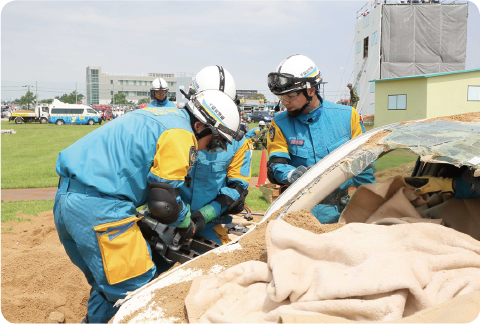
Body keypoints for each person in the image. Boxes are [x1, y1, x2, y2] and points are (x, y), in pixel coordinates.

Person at [53, 89, 241, 323]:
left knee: (108, 287)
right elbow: (164, 202)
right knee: (139, 294)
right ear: (200, 127)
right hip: (102, 211)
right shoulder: (181, 134)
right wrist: (186, 222)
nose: (210, 149)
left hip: (66, 200)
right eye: (215, 142)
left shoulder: (160, 115)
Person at [266, 54, 375, 223]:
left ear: (311, 90)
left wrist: (371, 205)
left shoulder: (348, 117)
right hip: (297, 213)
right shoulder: (279, 124)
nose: (285, 102)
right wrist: (290, 174)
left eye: (291, 96)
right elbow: (276, 165)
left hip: (340, 212)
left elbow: (364, 168)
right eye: (282, 97)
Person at [177, 66, 253, 246]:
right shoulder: (174, 130)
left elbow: (237, 186)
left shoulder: (237, 141)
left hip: (209, 225)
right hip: (167, 218)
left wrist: (208, 213)